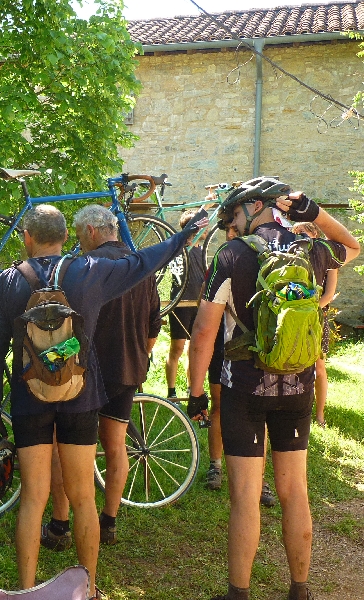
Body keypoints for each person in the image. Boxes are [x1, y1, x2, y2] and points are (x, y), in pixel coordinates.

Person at [0, 204, 205, 597]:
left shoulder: (7, 282)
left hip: (29, 398)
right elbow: (145, 261)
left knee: (34, 498)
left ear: (27, 238)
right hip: (81, 396)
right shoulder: (90, 272)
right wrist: (183, 236)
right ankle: (90, 588)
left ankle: (26, 590)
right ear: (67, 236)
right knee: (84, 496)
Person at [186, 177, 359, 600]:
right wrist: (314, 212)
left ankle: (238, 594)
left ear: (255, 207)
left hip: (244, 389)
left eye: (235, 213)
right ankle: (300, 590)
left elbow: (204, 332)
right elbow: (353, 247)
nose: (232, 221)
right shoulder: (313, 249)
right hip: (298, 386)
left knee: (245, 496)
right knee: (294, 491)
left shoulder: (230, 254)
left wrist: (196, 394)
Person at [41, 205, 161, 550]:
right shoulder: (140, 267)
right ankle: (108, 521)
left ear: (92, 230)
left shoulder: (86, 268)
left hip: (85, 370)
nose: (77, 242)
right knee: (115, 446)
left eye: (79, 235)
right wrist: (138, 353)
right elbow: (154, 325)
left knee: (65, 447)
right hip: (127, 368)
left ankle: (60, 524)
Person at [203, 225, 277, 507]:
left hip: (253, 351)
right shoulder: (223, 260)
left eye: (236, 228)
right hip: (222, 348)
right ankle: (215, 464)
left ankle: (259, 477)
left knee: (261, 417)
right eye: (229, 230)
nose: (233, 234)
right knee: (219, 407)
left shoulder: (262, 260)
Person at [291, 221, 339, 428]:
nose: (298, 236)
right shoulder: (294, 256)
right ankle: (294, 411)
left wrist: (309, 312)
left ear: (314, 233)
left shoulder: (327, 256)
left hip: (317, 317)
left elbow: (328, 294)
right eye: (295, 233)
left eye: (301, 232)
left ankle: (319, 415)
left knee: (319, 367)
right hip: (295, 318)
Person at [166, 209, 207, 399]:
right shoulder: (179, 248)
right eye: (201, 227)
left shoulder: (202, 250)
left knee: (194, 348)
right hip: (180, 303)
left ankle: (192, 388)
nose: (204, 231)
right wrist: (209, 199)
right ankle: (171, 391)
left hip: (196, 304)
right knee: (177, 348)